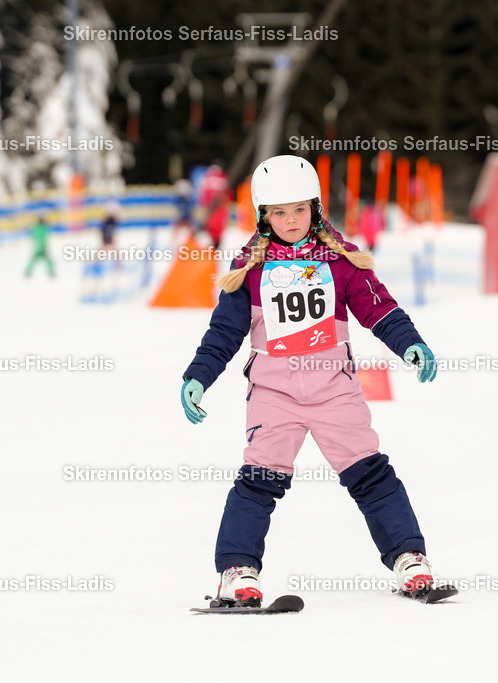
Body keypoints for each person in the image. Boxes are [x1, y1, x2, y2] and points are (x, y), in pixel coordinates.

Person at [180, 155, 441, 606]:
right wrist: (198, 377)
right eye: (279, 212)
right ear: (263, 216)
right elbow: (223, 332)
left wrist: (409, 343)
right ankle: (237, 571)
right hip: (274, 394)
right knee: (259, 481)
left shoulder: (339, 260)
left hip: (333, 390)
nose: (291, 220)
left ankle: (409, 558)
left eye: (299, 209)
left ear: (315, 208)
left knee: (370, 474)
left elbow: (380, 308)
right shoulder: (250, 268)